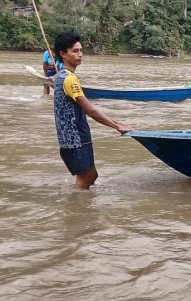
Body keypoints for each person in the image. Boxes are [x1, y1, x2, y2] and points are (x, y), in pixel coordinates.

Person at [52, 32, 132, 190]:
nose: (80, 55)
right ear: (63, 54)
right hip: (75, 140)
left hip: (71, 139)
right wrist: (116, 126)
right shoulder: (69, 79)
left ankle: (80, 207)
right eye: (75, 51)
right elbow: (90, 109)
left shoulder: (60, 76)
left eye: (81, 50)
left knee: (91, 176)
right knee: (86, 178)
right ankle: (77, 210)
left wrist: (118, 123)